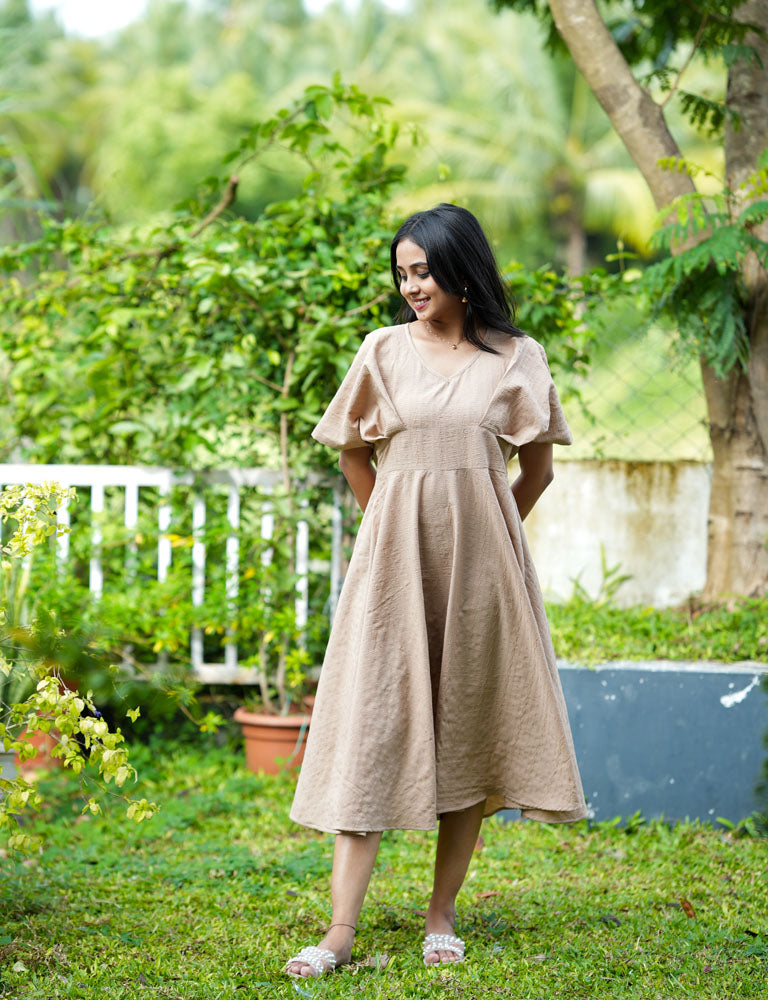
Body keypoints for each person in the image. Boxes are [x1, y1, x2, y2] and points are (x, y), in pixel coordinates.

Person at [285, 203, 586, 978]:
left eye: (424, 271)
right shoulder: (382, 350)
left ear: (461, 269)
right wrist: (387, 532)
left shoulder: (517, 357)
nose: (412, 286)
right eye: (403, 274)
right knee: (373, 728)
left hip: (484, 579)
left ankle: (441, 913)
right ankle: (338, 932)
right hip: (393, 574)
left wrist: (491, 539)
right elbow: (354, 455)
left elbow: (538, 470)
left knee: (468, 729)